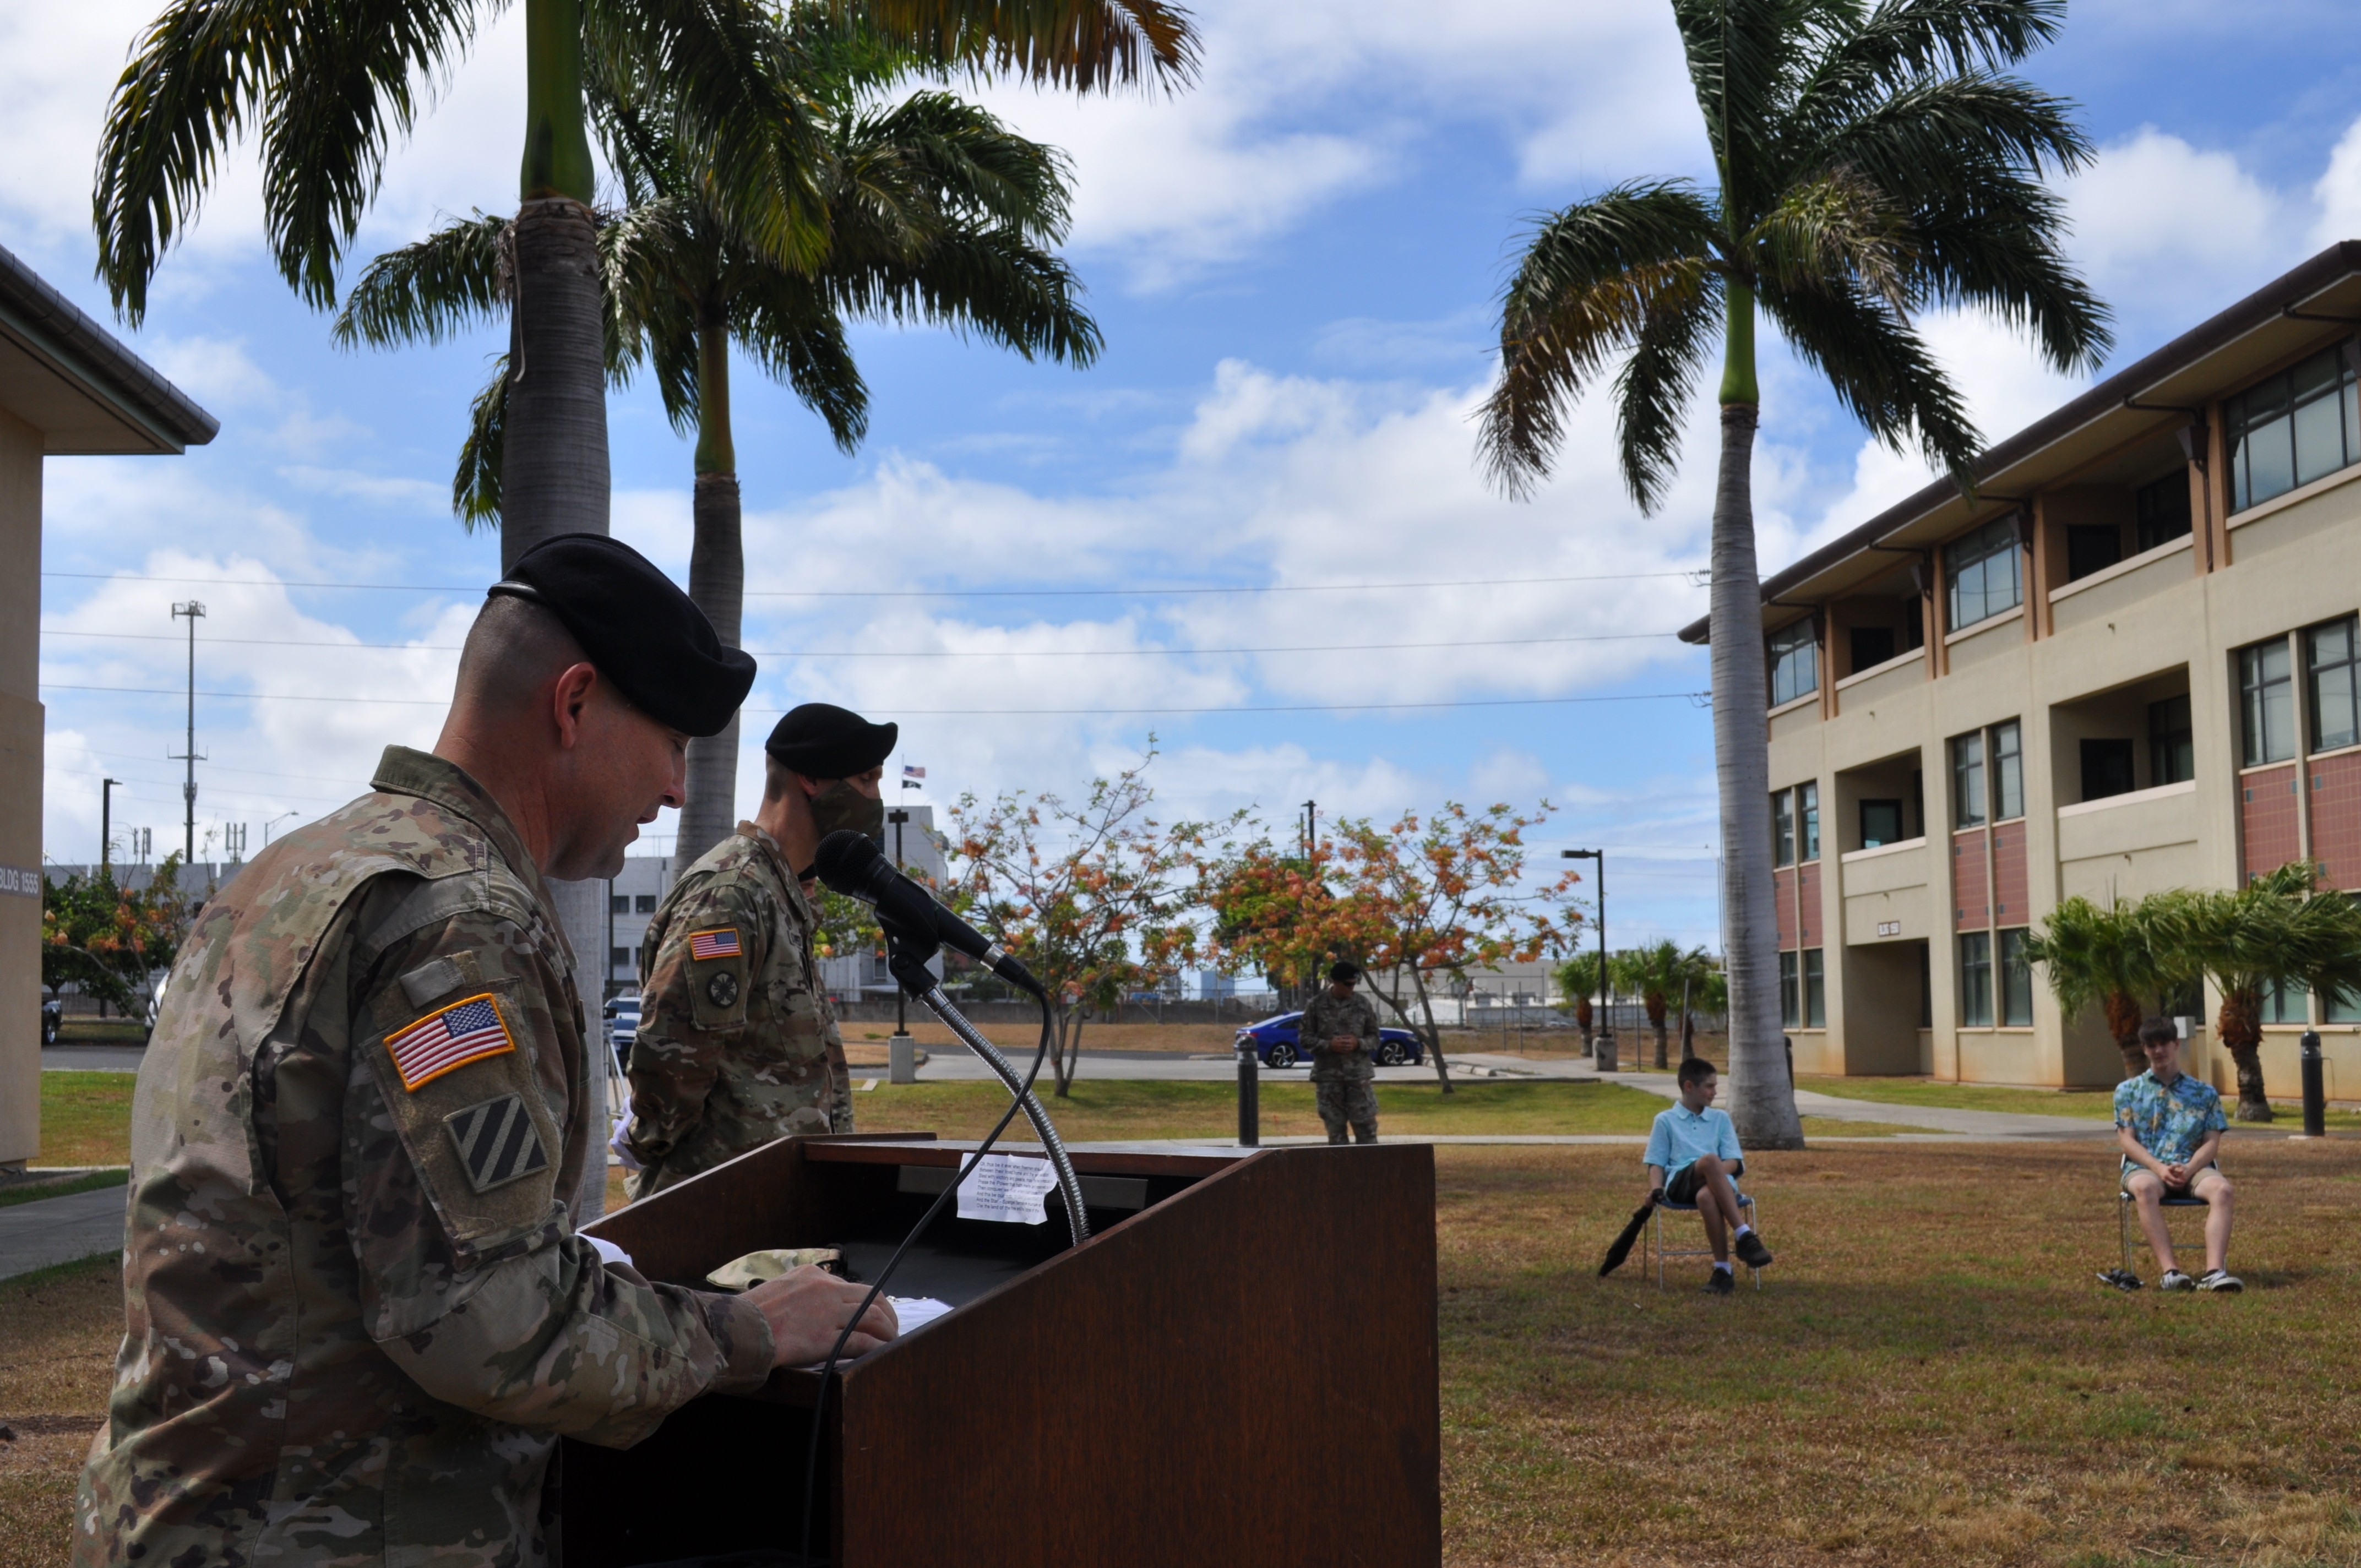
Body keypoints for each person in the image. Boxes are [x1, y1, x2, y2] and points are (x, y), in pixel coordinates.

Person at [75, 536, 898, 1567]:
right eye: (670, 743)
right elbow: (482, 1312)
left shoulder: (289, 873)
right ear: (574, 703)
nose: (678, 790)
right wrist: (749, 1332)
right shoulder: (457, 921)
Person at [622, 702, 895, 1198]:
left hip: (775, 1206)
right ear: (811, 778)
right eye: (867, 779)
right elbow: (671, 1056)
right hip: (720, 1209)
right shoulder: (732, 893)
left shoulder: (781, 889)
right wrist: (652, 1142)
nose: (875, 799)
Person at [2110, 1016, 2239, 1292]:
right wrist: (2158, 1168)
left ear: (2176, 1044)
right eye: (2151, 1045)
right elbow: (2127, 1142)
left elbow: (2211, 1143)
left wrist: (2191, 1168)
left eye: (2164, 1044)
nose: (2159, 1051)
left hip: (2192, 1167)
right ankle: (2171, 1273)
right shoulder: (2128, 1091)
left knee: (2223, 1190)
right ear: (2145, 1049)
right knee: (2144, 1188)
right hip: (2146, 1167)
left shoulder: (2204, 1093)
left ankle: (2214, 1273)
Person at [1643, 1058, 1774, 1294]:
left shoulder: (1720, 1119)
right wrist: (1656, 1188)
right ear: (1689, 1086)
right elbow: (1656, 1162)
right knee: (1711, 1160)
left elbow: (1734, 1161)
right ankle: (1744, 1234)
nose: (1715, 1092)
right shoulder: (1665, 1120)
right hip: (1680, 1183)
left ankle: (1722, 1271)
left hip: (1717, 1185)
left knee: (1706, 1196)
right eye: (1710, 1086)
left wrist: (1713, 1176)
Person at [1303, 960, 1381, 1144]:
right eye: (1347, 984)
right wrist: (1329, 1045)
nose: (1351, 988)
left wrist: (1358, 1043)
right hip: (1329, 1079)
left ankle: (1371, 1172)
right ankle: (1342, 1173)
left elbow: (1375, 1038)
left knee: (1367, 1130)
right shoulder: (1316, 1005)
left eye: (1354, 984)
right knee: (1336, 1133)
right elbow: (1305, 1038)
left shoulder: (1363, 1004)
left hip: (1358, 1078)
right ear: (1335, 982)